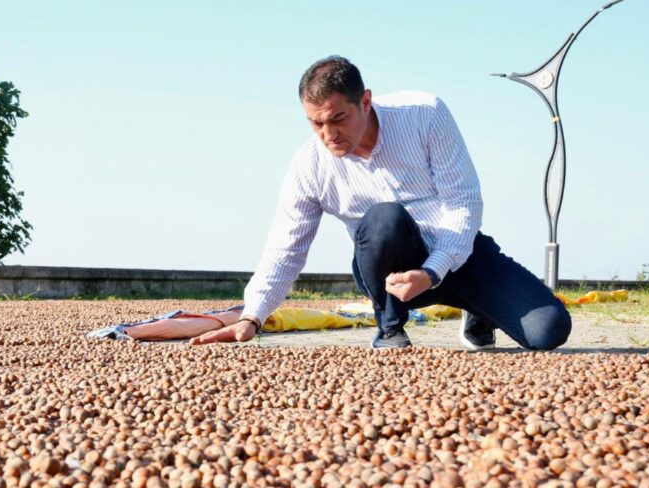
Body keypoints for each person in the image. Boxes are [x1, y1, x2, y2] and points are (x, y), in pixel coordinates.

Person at [190, 55, 571, 350]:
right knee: (384, 219)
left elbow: (464, 202)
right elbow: (285, 248)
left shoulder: (424, 115)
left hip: (456, 254)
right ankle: (389, 327)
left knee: (549, 330)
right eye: (315, 123)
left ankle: (478, 309)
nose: (328, 134)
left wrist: (433, 270)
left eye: (338, 118)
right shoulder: (310, 165)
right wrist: (253, 316)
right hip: (389, 270)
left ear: (366, 101)